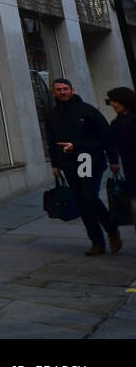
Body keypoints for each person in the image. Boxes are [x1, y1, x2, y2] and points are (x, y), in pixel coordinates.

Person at [45, 79, 121, 255]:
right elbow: (51, 141)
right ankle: (97, 242)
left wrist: (113, 159)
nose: (62, 92)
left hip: (88, 159)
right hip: (68, 164)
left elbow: (105, 135)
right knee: (82, 203)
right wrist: (55, 164)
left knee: (89, 197)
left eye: (65, 89)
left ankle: (111, 229)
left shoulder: (86, 110)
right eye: (59, 90)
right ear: (54, 92)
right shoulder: (52, 115)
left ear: (72, 90)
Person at [105, 87, 136, 196]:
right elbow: (111, 143)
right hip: (130, 166)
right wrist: (113, 161)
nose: (112, 105)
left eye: (115, 101)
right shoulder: (116, 123)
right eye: (111, 102)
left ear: (125, 101)